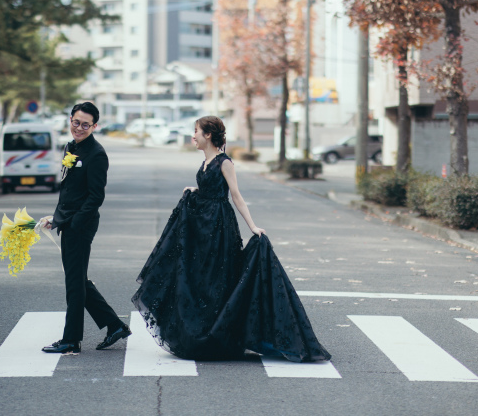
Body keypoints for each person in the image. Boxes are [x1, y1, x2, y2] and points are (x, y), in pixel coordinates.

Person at [132, 116, 331, 362]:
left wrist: (253, 226)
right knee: (201, 279)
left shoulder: (224, 162)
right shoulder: (205, 161)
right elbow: (209, 189)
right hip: (201, 227)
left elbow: (236, 196)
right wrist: (195, 191)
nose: (192, 136)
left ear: (208, 135)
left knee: (217, 279)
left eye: (196, 132)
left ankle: (219, 335)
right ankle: (202, 331)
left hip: (218, 226)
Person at [41, 102, 131, 355]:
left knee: (74, 283)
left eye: (85, 125)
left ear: (94, 126)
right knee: (78, 279)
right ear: (70, 119)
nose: (79, 128)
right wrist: (56, 218)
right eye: (76, 122)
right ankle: (114, 326)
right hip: (68, 222)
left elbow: (95, 197)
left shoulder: (97, 154)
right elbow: (70, 190)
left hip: (81, 225)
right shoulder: (71, 147)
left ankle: (72, 340)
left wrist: (74, 223)